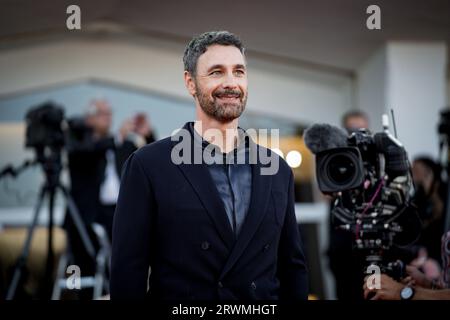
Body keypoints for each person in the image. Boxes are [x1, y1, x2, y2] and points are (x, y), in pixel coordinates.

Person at [110, 31, 309, 300]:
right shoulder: (148, 166)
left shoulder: (277, 170)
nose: (231, 83)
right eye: (217, 72)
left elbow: (292, 268)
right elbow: (127, 273)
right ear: (190, 83)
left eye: (238, 72)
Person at [65, 100, 156, 283]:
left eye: (109, 113)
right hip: (88, 216)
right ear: (89, 118)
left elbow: (150, 157)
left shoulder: (120, 144)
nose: (108, 117)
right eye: (102, 113)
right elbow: (89, 150)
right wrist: (117, 137)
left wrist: (147, 135)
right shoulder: (80, 140)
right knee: (87, 266)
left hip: (117, 211)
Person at [327, 110, 369, 300]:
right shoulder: (333, 160)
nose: (356, 135)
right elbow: (326, 195)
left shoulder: (376, 162)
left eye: (361, 130)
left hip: (371, 254)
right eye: (350, 130)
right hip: (342, 254)